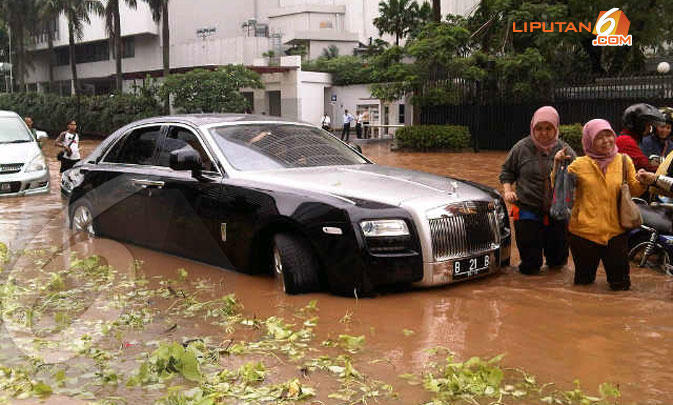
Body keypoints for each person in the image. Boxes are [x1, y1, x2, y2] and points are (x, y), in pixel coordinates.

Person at [554, 119, 646, 291]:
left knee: (621, 285)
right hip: (583, 234)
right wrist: (557, 165)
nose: (606, 141)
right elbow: (560, 193)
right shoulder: (578, 165)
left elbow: (634, 190)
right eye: (599, 137)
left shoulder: (624, 161)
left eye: (609, 135)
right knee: (583, 286)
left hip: (616, 232)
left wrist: (643, 181)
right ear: (589, 140)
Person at [500, 106, 576, 275]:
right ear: (532, 128)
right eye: (539, 128)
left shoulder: (565, 150)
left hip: (557, 211)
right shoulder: (521, 148)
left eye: (548, 128)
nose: (543, 133)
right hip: (527, 210)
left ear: (556, 128)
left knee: (558, 263)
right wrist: (507, 191)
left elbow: (579, 176)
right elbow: (506, 172)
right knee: (530, 264)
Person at [616, 103, 665, 172]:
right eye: (648, 125)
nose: (649, 129)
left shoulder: (630, 139)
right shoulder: (625, 140)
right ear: (639, 125)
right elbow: (644, 166)